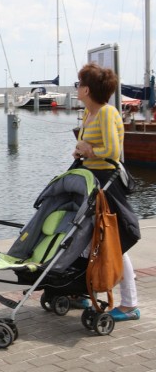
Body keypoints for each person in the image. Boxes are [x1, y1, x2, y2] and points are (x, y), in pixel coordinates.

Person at [73, 62, 141, 321]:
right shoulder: (89, 114)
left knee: (115, 240)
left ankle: (129, 303)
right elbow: (91, 146)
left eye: (79, 83)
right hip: (91, 179)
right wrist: (80, 151)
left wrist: (90, 151)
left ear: (87, 89)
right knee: (86, 237)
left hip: (108, 182)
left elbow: (113, 152)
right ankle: (83, 288)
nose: (77, 87)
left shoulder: (107, 113)